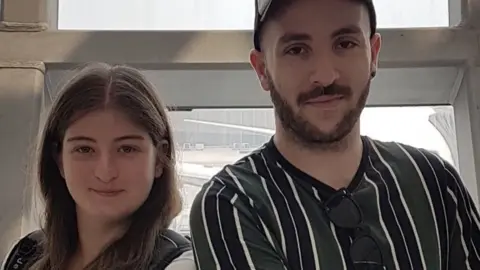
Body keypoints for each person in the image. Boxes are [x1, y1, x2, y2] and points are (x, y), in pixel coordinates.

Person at [189, 0, 480, 269]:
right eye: (297, 50)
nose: (325, 76)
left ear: (373, 54)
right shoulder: (233, 203)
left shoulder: (435, 183)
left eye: (345, 43)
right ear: (262, 69)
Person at [1, 63, 196, 270]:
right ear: (59, 160)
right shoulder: (24, 255)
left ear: (159, 159)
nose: (105, 172)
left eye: (127, 149)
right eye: (84, 149)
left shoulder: (181, 264)